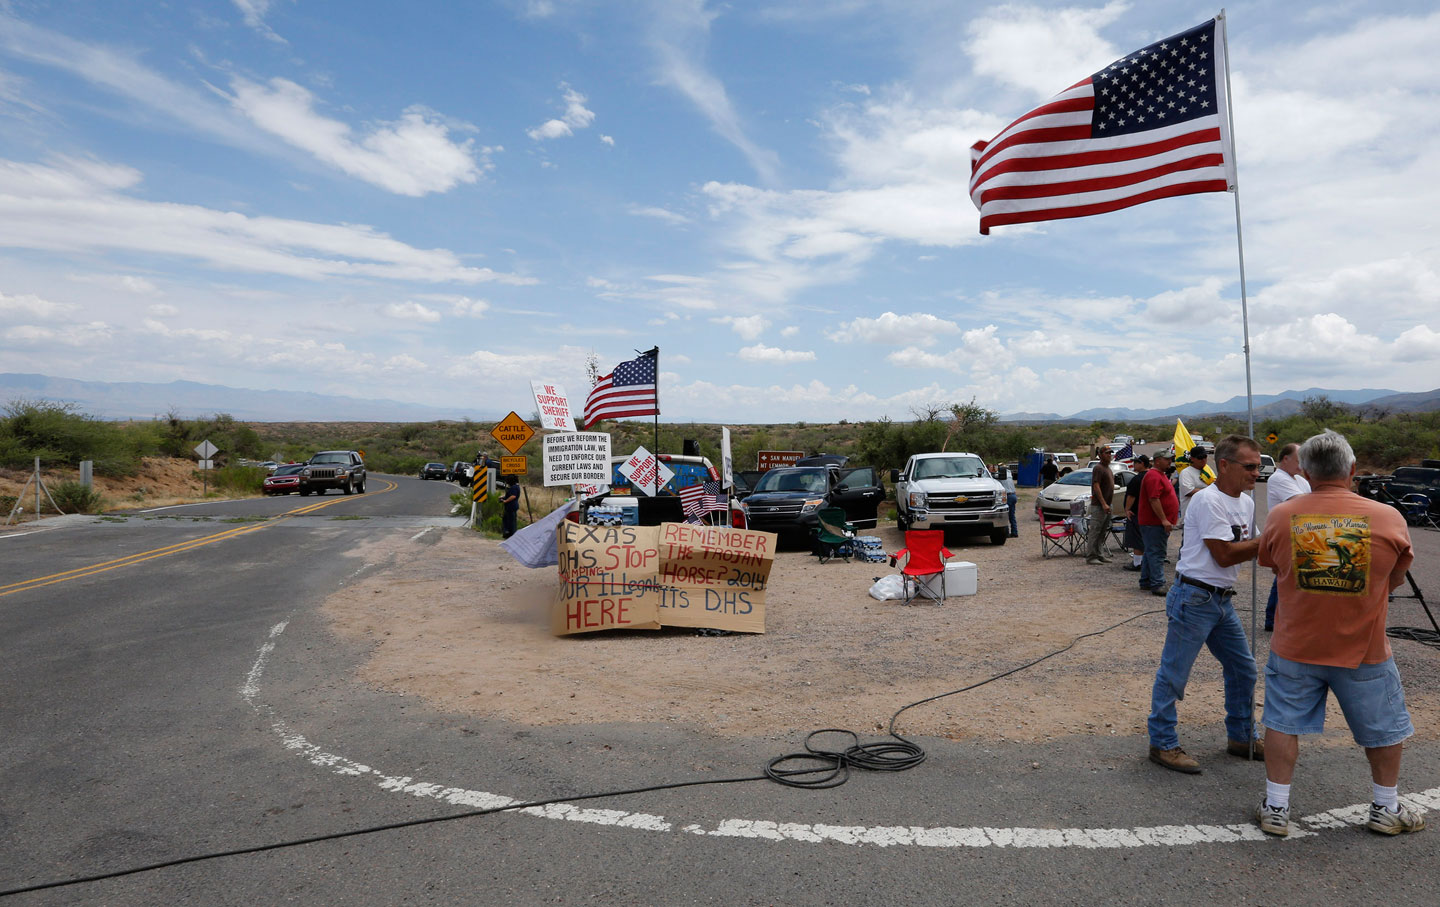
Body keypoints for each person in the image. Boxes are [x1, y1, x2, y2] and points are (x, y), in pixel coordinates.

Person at [1253, 430, 1422, 837]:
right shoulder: (1387, 517)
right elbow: (1395, 578)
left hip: (1295, 645)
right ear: (1351, 469)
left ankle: (1276, 808)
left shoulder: (1281, 516)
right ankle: (1385, 807)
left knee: (1282, 723)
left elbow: (1273, 566)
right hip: (1364, 649)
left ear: (1307, 473)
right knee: (1383, 728)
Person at [1147, 435, 1264, 774]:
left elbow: (1252, 544)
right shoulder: (1208, 501)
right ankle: (1162, 743)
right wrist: (1270, 541)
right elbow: (1226, 554)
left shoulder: (1245, 503)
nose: (1257, 473)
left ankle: (1242, 736)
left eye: (1258, 466)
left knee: (1244, 669)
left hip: (1221, 601)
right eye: (1250, 466)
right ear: (1223, 465)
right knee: (1174, 674)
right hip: (1195, 598)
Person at [1263, 443, 1311, 631]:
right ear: (1285, 459)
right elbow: (1300, 503)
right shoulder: (1278, 478)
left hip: (1300, 534)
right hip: (1285, 535)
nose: (1301, 466)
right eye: (1299, 461)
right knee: (1284, 577)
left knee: (1290, 577)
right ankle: (1272, 619)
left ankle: (1282, 617)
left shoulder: (1299, 480)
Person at [1136, 450, 1177, 596]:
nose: (1169, 462)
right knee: (1157, 553)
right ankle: (1158, 584)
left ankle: (1146, 581)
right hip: (1153, 523)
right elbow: (1154, 499)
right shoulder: (1153, 476)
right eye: (1167, 460)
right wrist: (1164, 519)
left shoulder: (1160, 475)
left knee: (1150, 552)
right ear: (1158, 460)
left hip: (1153, 523)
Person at [1084, 446, 1114, 564]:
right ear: (1100, 455)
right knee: (1095, 531)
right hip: (1099, 505)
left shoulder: (1108, 469)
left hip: (1108, 504)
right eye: (1106, 453)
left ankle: (1100, 554)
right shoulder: (1098, 468)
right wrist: (1103, 503)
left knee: (1102, 532)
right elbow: (1096, 486)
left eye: (1110, 453)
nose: (1109, 455)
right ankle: (1091, 556)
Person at [1122, 455, 1151, 571]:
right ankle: (1145, 561)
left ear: (1142, 463)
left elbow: (1132, 496)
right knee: (1146, 538)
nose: (1134, 465)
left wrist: (1127, 509)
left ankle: (1137, 563)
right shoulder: (1151, 476)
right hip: (1148, 513)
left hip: (1137, 513)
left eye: (1136, 463)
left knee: (1136, 539)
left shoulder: (1137, 479)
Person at [1177, 447, 1210, 531]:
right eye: (1200, 457)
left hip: (1207, 518)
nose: (1203, 460)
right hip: (1191, 520)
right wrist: (1211, 491)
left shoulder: (1208, 472)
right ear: (1192, 459)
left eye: (1205, 456)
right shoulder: (1186, 473)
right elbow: (1189, 491)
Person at [995, 464, 1018, 538]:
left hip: (1007, 496)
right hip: (1013, 495)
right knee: (1012, 515)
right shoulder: (1009, 474)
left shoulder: (999, 476)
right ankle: (1015, 532)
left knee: (1005, 515)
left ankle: (1006, 533)